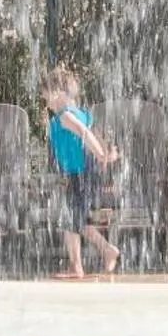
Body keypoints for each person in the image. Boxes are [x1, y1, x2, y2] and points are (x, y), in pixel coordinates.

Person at [42, 65, 121, 279]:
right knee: (78, 221)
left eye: (47, 96)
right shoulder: (80, 113)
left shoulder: (66, 117)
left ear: (58, 93)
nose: (46, 102)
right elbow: (95, 132)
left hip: (84, 172)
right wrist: (106, 152)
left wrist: (100, 155)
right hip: (84, 173)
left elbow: (85, 134)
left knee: (69, 219)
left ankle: (76, 267)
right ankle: (107, 250)